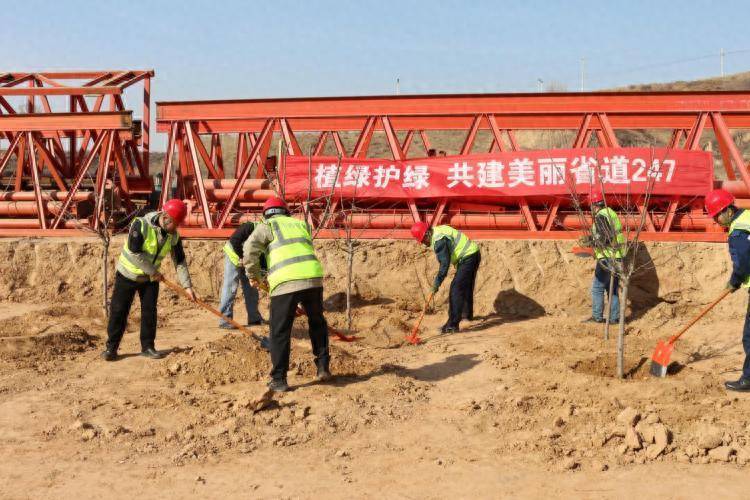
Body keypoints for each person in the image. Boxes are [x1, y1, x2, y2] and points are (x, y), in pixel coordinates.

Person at [243, 197, 330, 392]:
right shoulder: (301, 225)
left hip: (285, 282)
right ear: (286, 212)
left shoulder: (267, 226)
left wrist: (254, 275)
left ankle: (279, 379)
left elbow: (249, 250)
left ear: (266, 214)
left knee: (280, 331)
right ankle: (323, 367)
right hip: (313, 278)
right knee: (317, 322)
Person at [102, 199, 196, 361]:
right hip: (128, 275)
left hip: (149, 279)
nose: (177, 227)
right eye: (176, 223)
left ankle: (148, 347)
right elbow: (134, 253)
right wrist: (154, 272)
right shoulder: (141, 225)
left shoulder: (173, 235)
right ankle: (111, 348)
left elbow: (179, 261)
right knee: (119, 311)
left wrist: (187, 286)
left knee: (149, 312)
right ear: (165, 218)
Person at [705, 188, 750, 392]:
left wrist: (734, 281)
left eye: (717, 216)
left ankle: (748, 380)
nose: (716, 221)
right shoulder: (748, 216)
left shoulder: (738, 231)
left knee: (749, 336)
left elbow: (743, 263)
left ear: (728, 210)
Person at [410, 222, 481, 333]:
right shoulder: (438, 231)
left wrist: (436, 284)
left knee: (456, 289)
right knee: (465, 287)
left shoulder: (439, 240)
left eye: (423, 240)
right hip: (473, 253)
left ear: (427, 234)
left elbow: (444, 264)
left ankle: (452, 325)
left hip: (468, 257)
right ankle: (466, 316)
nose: (424, 244)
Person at [582, 190, 626, 324]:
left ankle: (597, 317)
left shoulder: (601, 216)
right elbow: (609, 233)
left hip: (607, 256)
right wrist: (593, 238)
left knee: (597, 288)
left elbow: (605, 237)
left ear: (594, 205)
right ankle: (614, 318)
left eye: (591, 206)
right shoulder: (610, 213)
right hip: (617, 256)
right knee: (612, 289)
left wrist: (592, 243)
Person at [218, 222, 265, 329]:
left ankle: (254, 318)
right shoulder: (249, 227)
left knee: (251, 288)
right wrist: (242, 257)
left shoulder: (267, 237)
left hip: (247, 258)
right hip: (234, 255)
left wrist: (261, 273)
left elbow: (262, 256)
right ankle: (225, 320)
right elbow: (234, 241)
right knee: (230, 287)